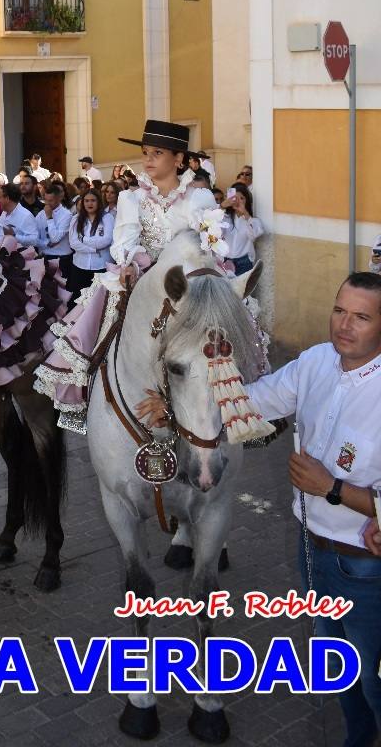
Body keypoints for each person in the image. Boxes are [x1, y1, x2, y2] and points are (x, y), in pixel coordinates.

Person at [138, 271, 381, 747]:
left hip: (365, 563)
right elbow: (251, 402)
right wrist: (181, 413)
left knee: (372, 675)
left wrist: (333, 488)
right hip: (312, 550)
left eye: (362, 317)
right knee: (342, 669)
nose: (344, 325)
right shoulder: (315, 362)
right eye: (339, 311)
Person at [35, 120, 218, 432]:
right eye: (146, 152)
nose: (147, 159)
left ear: (178, 159)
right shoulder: (130, 198)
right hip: (143, 276)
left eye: (157, 153)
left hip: (191, 282)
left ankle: (239, 399)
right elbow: (123, 243)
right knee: (100, 321)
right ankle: (90, 392)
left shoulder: (199, 198)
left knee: (230, 324)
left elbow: (208, 244)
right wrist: (131, 263)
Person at [68, 188, 115, 302]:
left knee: (97, 302)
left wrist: (84, 239)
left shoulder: (107, 218)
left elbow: (106, 240)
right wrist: (94, 249)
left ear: (98, 202)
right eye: (86, 201)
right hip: (80, 266)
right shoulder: (76, 219)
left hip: (101, 267)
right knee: (79, 301)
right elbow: (74, 243)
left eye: (93, 200)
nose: (89, 203)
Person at [221, 182, 263, 276]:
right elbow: (212, 227)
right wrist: (222, 206)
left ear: (247, 200)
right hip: (225, 262)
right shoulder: (224, 217)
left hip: (244, 262)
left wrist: (245, 213)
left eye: (242, 198)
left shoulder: (251, 220)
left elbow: (255, 234)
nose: (238, 201)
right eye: (235, 198)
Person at [35, 184, 74, 283]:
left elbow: (55, 238)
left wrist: (49, 218)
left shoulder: (67, 215)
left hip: (62, 259)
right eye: (46, 200)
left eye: (51, 200)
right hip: (45, 257)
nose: (47, 204)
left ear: (58, 199)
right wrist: (44, 243)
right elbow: (35, 235)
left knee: (63, 292)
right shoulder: (40, 214)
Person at [0, 182, 39, 248]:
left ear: (7, 199)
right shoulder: (4, 212)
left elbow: (34, 240)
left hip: (21, 256)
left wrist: (14, 235)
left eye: (0, 197)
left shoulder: (26, 216)